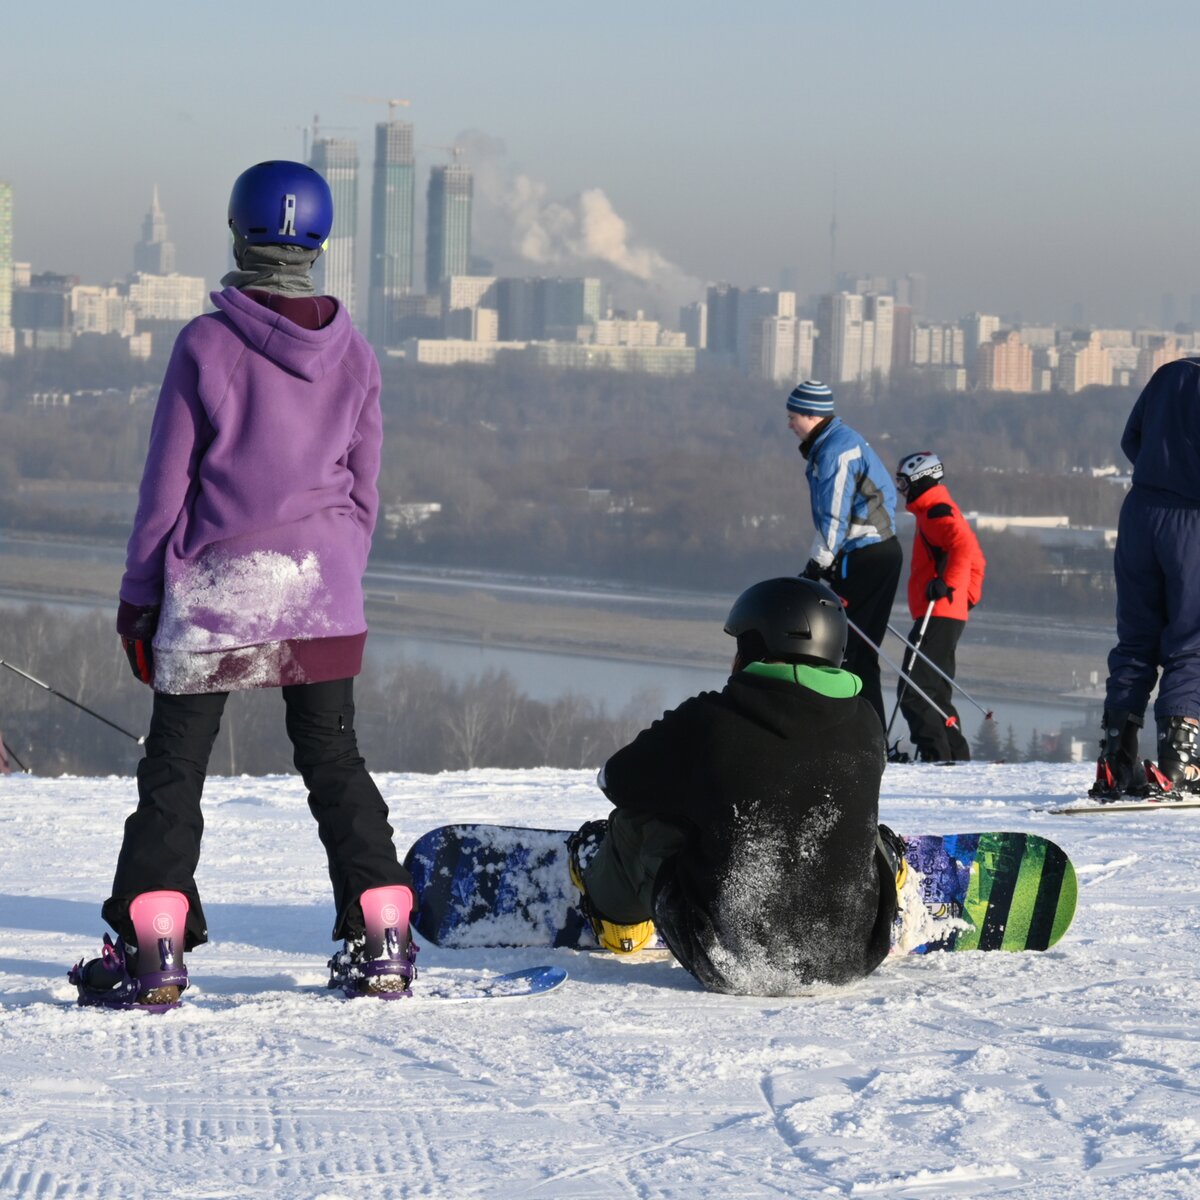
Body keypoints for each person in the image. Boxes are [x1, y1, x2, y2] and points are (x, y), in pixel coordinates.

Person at [69, 161, 416, 1009]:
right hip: (323, 590)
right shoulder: (357, 354)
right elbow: (365, 490)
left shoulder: (207, 342)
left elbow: (166, 486)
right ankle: (383, 940)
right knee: (335, 759)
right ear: (320, 244)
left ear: (236, 233)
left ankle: (153, 952)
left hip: (219, 590)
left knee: (175, 769)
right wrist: (335, 575)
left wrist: (138, 598)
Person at [567, 576, 904, 996]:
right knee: (840, 814)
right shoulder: (867, 722)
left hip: (731, 961)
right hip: (851, 958)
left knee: (636, 822)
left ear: (756, 647)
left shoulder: (710, 721)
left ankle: (618, 921)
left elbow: (615, 780)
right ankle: (890, 864)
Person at [1095, 357, 1200, 798]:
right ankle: (1180, 763)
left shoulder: (1170, 373)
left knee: (1136, 639)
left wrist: (1161, 473)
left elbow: (1131, 437)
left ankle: (1115, 760)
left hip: (1140, 513)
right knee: (1191, 640)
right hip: (1190, 519)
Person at [787, 380, 902, 729]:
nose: (789, 423)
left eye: (793, 416)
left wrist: (818, 563)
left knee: (848, 650)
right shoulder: (837, 441)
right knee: (859, 652)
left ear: (811, 414)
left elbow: (834, 513)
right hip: (874, 552)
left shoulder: (836, 450)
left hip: (865, 555)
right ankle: (869, 733)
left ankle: (858, 735)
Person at [893, 451, 986, 762]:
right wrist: (966, 596)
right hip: (947, 611)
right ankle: (955, 755)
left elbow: (964, 547)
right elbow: (977, 558)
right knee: (934, 692)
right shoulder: (935, 510)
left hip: (939, 610)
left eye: (904, 482)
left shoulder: (936, 511)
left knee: (912, 689)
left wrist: (949, 586)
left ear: (921, 479)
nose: (901, 490)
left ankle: (937, 755)